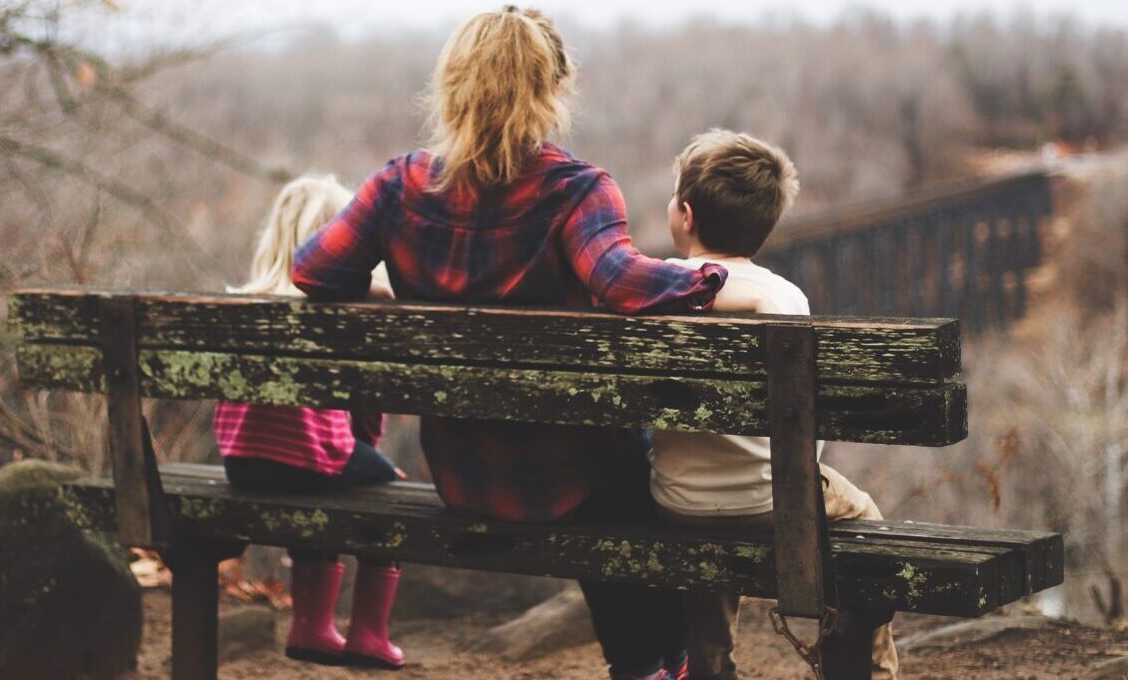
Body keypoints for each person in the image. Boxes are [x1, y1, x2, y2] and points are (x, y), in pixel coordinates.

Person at [293, 8, 728, 679]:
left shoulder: (397, 187)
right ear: (552, 88)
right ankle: (657, 664)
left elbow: (313, 270)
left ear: (454, 85)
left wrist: (389, 294)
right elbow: (619, 280)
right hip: (576, 482)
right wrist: (714, 275)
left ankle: (648, 664)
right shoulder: (576, 191)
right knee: (635, 470)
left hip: (464, 477)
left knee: (616, 469)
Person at [647, 129, 898, 680]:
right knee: (865, 517)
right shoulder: (784, 298)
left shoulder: (655, 289)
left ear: (685, 215)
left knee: (709, 521)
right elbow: (806, 431)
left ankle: (710, 665)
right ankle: (870, 669)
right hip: (771, 498)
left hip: (677, 500)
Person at [219, 175, 407, 670]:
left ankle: (312, 626)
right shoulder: (339, 308)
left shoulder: (243, 304)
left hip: (241, 464)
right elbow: (365, 411)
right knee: (390, 489)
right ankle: (367, 634)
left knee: (321, 474)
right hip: (309, 461)